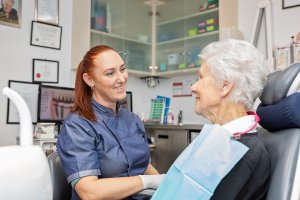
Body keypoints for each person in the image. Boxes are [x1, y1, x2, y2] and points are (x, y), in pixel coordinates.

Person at [57, 45, 164, 200]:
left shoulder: (132, 120)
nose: (121, 78)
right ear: (89, 79)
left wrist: (166, 184)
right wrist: (147, 181)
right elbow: (89, 192)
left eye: (122, 69)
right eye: (110, 73)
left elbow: (144, 166)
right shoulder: (77, 126)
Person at [191, 39, 271, 199]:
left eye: (200, 78)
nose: (193, 87)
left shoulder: (242, 153)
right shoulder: (229, 142)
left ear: (225, 86)